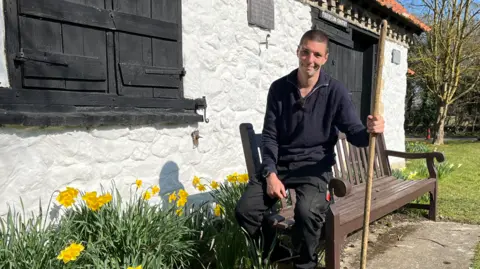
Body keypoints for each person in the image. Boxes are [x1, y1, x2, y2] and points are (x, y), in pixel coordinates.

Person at [234, 29, 385, 269]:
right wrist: (271, 174)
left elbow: (356, 134)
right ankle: (276, 252)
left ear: (325, 58)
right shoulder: (279, 89)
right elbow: (270, 136)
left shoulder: (334, 92)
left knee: (306, 213)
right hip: (281, 166)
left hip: (315, 169)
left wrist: (371, 131)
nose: (310, 60)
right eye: (305, 52)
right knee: (245, 210)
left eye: (317, 54)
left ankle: (306, 264)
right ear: (298, 52)